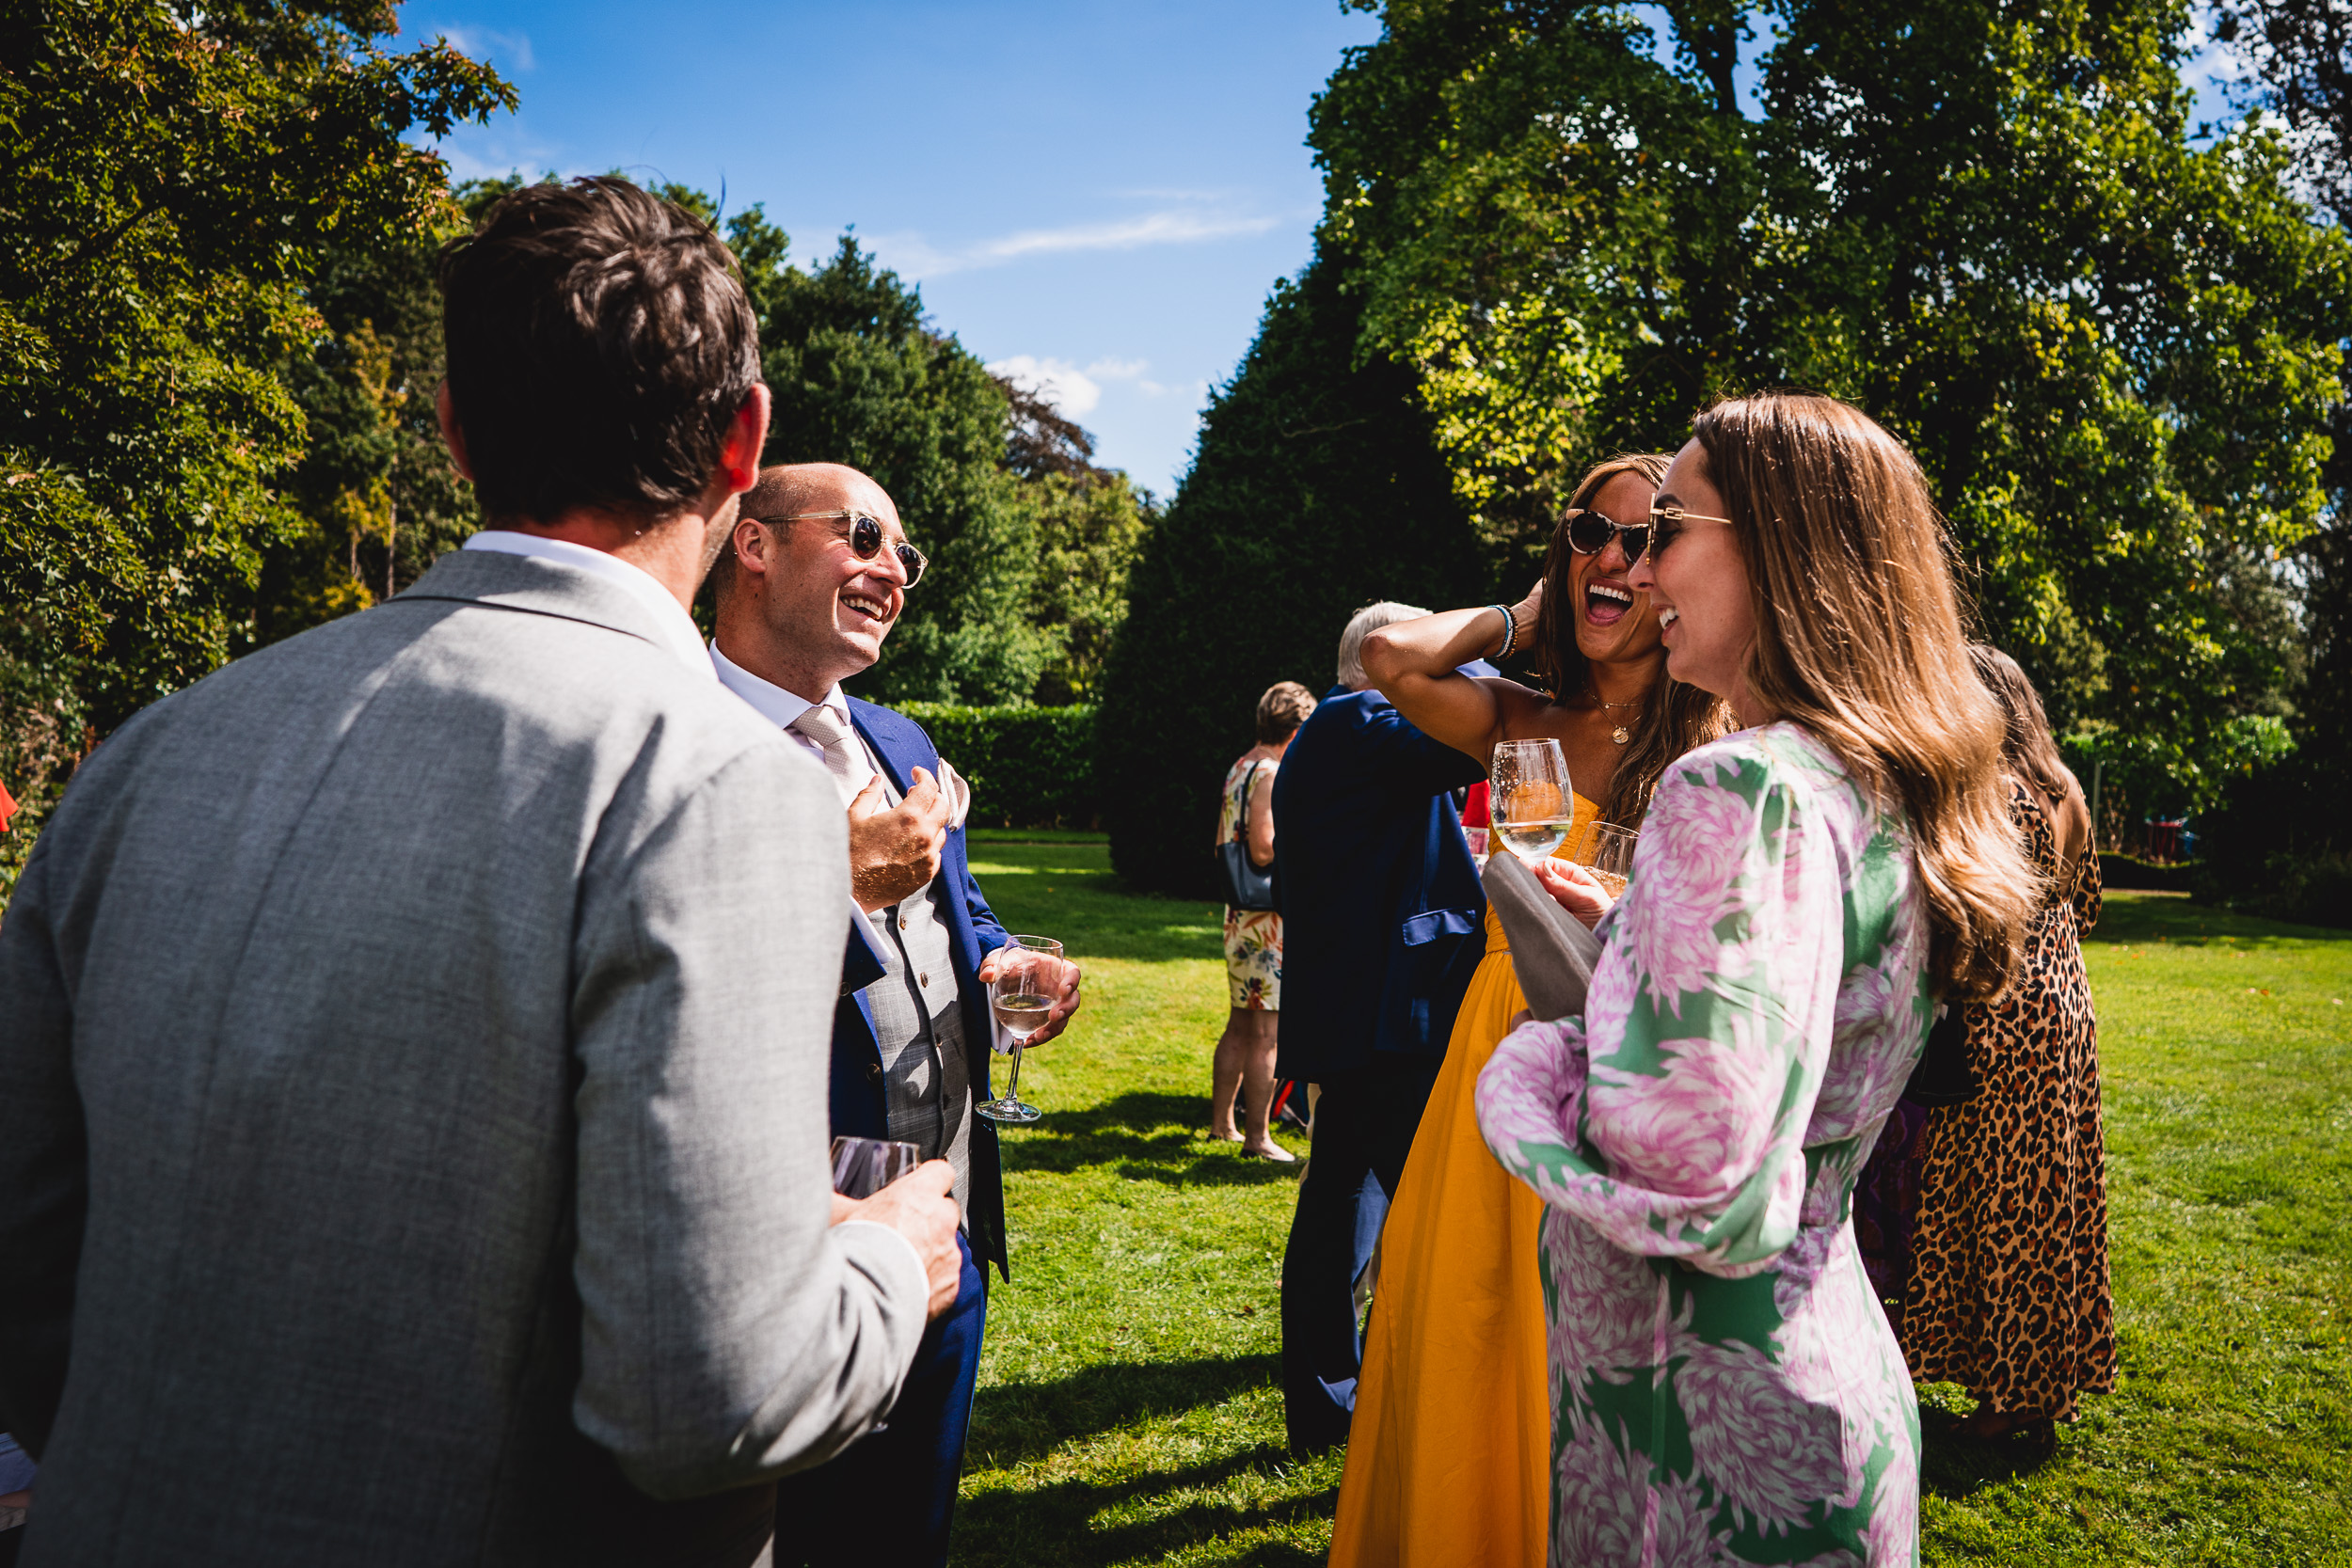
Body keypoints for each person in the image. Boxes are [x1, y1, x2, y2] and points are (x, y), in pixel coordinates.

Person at [0, 179, 960, 1567]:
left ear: (453, 430)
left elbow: (26, 1244)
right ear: (744, 440)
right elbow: (706, 1401)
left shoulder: (162, 743)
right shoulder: (718, 781)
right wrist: (886, 1255)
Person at [1476, 392, 2040, 1564]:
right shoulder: (1876, 781)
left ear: (1779, 548)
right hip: (1821, 1374)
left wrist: (1541, 1052)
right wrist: (1642, 930)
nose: (1636, 561)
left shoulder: (1737, 788)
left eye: (1670, 524)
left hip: (1701, 1439)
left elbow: (1689, 1167)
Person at [1331, 454, 1728, 1568]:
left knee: (1587, 1340)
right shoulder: (1521, 714)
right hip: (1495, 1036)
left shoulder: (1720, 739)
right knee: (1470, 1311)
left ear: (1679, 568)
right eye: (1588, 532)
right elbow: (1387, 654)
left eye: (1643, 539)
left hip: (1624, 1051)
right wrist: (1526, 612)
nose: (1612, 556)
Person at [707, 462, 1081, 1568]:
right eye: (863, 535)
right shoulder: (671, 737)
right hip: (780, 1241)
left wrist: (1007, 959)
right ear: (755, 544)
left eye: (904, 556)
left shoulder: (904, 740)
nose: (893, 572)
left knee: (906, 1537)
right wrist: (841, 880)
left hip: (942, 1223)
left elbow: (958, 909)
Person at [1271, 603, 1491, 1457]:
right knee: (1438, 1207)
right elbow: (1469, 741)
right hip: (1392, 1015)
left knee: (1341, 1203)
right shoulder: (1360, 718)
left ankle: (1331, 1403)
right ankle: (1429, 1396)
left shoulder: (1335, 731)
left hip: (1360, 1010)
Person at [1897, 646, 2113, 1444]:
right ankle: (2034, 1381)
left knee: (2004, 1202)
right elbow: (2083, 905)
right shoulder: (2067, 791)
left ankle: (2013, 1396)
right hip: (2068, 1002)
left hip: (2005, 1007)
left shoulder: (2000, 794)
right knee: (2048, 1195)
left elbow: (1978, 914)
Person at [1210, 680, 1318, 1161]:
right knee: (1268, 1031)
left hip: (1240, 915)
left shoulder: (1241, 765)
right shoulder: (1272, 771)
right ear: (1294, 728)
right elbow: (1263, 846)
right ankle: (1258, 1137)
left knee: (1239, 1024)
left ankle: (1222, 1125)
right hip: (1266, 921)